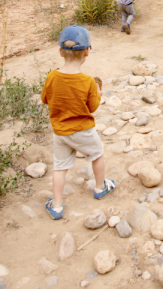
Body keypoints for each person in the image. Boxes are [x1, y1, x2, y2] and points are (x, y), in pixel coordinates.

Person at [41, 25, 115, 220]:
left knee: (60, 167)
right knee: (97, 154)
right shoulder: (88, 82)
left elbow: (45, 99)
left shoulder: (52, 76)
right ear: (87, 51)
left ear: (59, 51)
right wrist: (98, 94)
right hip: (83, 131)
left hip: (60, 132)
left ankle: (56, 206)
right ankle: (100, 187)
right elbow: (92, 108)